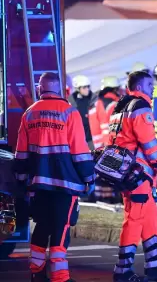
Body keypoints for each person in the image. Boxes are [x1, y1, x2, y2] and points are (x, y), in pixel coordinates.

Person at [14, 72, 95, 282]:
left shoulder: (29, 113)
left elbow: (21, 152)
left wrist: (22, 179)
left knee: (41, 226)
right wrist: (88, 177)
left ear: (41, 89)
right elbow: (79, 151)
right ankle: (60, 277)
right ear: (60, 89)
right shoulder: (69, 113)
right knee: (61, 228)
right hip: (65, 184)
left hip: (38, 183)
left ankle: (36, 272)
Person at [110, 71, 157, 282]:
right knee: (135, 220)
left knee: (149, 218)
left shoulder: (120, 107)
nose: (153, 88)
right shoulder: (141, 108)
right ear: (139, 86)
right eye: (149, 85)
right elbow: (149, 143)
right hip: (139, 174)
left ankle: (154, 267)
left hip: (126, 173)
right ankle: (123, 269)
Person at [88, 76, 121, 150]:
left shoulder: (96, 101)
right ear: (115, 89)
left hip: (94, 142)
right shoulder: (114, 104)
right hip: (108, 142)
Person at [68, 75, 96, 150]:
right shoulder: (72, 101)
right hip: (81, 138)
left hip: (92, 137)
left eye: (88, 86)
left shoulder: (93, 98)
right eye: (84, 87)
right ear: (78, 89)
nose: (87, 89)